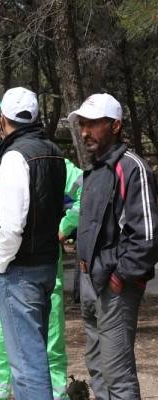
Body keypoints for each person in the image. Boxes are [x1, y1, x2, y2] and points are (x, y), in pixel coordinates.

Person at [0, 156, 82, 400]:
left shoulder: (57, 165)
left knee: (49, 350)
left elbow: (87, 192)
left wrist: (64, 227)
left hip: (43, 274)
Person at [69, 93, 158, 399]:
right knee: (98, 370)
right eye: (83, 124)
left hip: (115, 288)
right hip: (90, 283)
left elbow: (147, 236)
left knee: (117, 376)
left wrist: (119, 278)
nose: (85, 132)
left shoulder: (132, 168)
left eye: (93, 124)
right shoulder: (94, 170)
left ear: (116, 125)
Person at [0, 87, 66, 399]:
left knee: (26, 364)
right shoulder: (54, 152)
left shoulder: (14, 156)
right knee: (33, 355)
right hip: (46, 265)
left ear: (2, 120)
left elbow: (11, 226)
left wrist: (0, 263)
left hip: (19, 271)